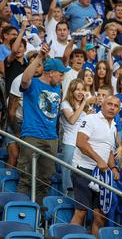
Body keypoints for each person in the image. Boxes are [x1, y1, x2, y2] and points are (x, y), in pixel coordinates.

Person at [17, 44, 69, 205]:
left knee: (45, 180)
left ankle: (39, 215)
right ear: (51, 73)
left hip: (51, 138)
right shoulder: (33, 84)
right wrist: (39, 56)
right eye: (60, 75)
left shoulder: (57, 87)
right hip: (32, 135)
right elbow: (24, 79)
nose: (62, 78)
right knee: (26, 177)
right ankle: (22, 213)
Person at [70, 95, 121, 237]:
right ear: (102, 105)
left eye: (116, 106)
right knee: (81, 211)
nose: (112, 107)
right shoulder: (90, 119)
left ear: (118, 110)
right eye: (109, 104)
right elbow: (80, 142)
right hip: (84, 169)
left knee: (100, 215)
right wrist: (99, 160)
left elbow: (109, 151)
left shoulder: (114, 127)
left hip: (102, 174)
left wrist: (114, 168)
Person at [60, 78, 88, 195]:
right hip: (70, 142)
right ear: (72, 91)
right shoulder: (65, 104)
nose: (80, 92)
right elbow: (72, 120)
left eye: (83, 89)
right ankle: (67, 195)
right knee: (68, 173)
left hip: (82, 145)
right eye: (77, 89)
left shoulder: (85, 107)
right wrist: (84, 103)